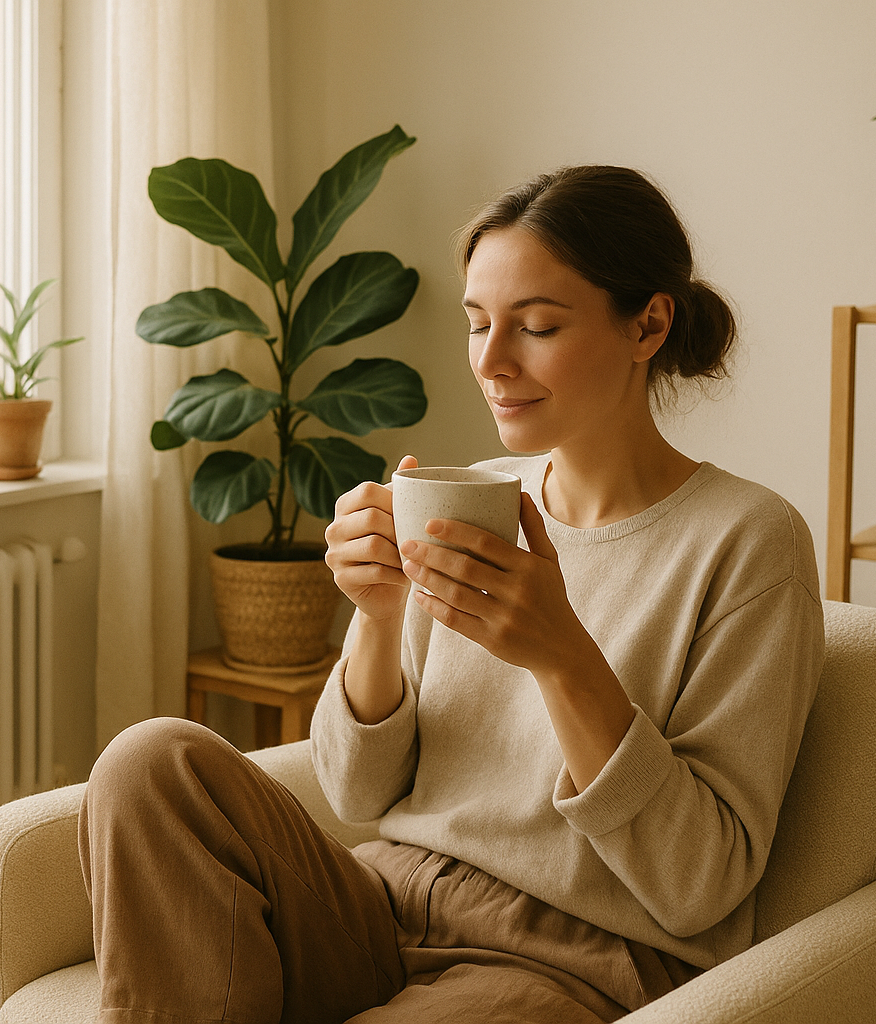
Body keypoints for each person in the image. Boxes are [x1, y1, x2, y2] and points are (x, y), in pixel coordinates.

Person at [79, 165, 825, 1024]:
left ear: (648, 324)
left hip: (568, 963)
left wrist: (561, 654)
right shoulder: (477, 498)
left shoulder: (747, 540)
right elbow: (358, 797)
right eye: (478, 325)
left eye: (537, 326)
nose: (494, 363)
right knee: (149, 764)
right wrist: (376, 613)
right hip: (381, 905)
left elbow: (704, 885)